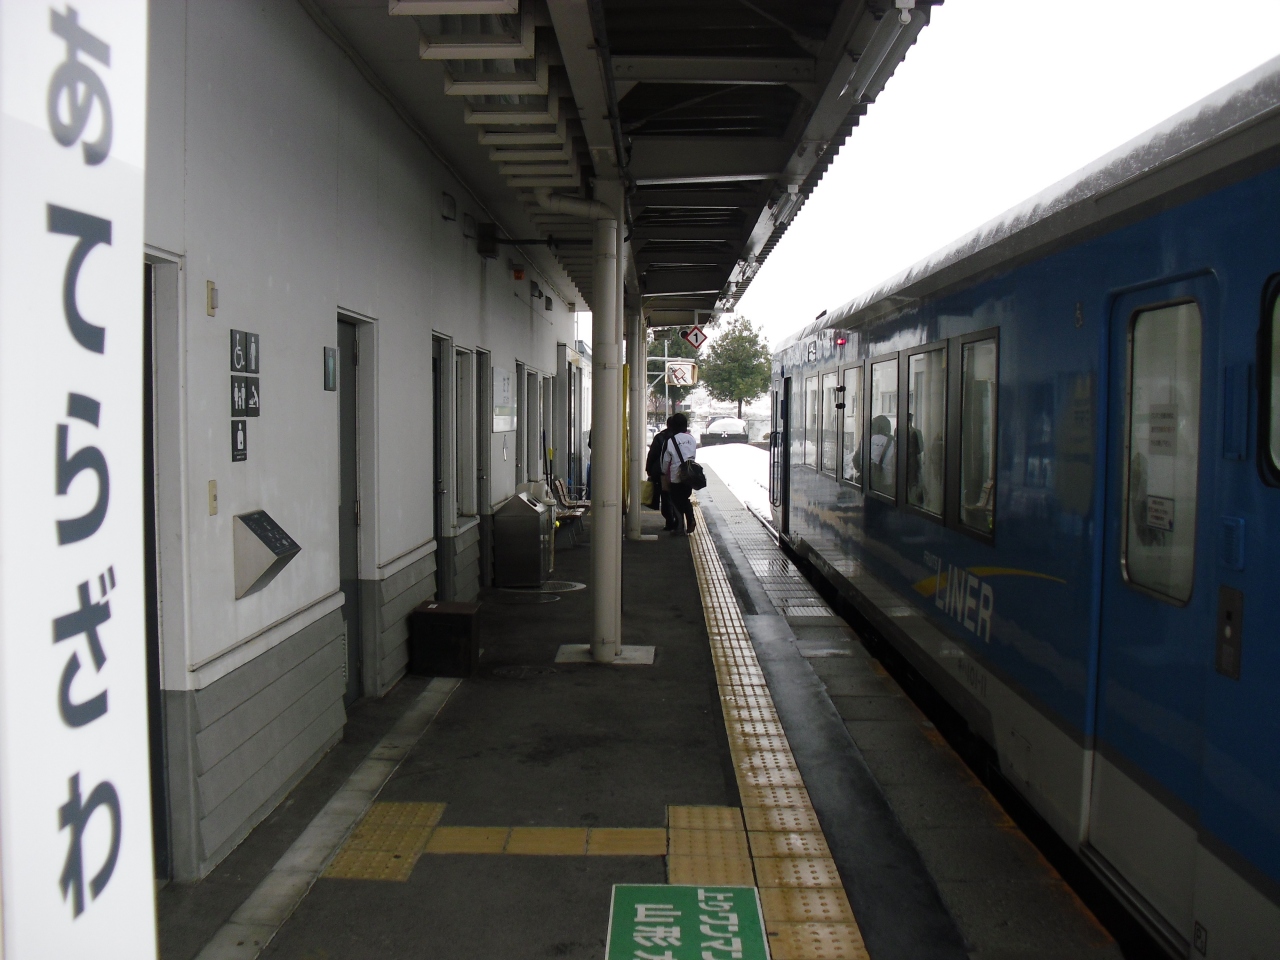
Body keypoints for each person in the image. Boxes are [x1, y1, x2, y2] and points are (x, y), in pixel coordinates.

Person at [660, 413, 698, 535]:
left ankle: (680, 526)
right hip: (689, 475)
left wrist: (663, 472)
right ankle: (690, 518)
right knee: (685, 498)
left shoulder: (671, 441)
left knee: (676, 501)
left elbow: (665, 460)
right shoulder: (692, 439)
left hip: (676, 475)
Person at [646, 416, 677, 530]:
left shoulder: (660, 437)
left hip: (662, 472)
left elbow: (652, 454)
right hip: (677, 471)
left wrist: (649, 469)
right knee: (676, 496)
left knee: (666, 496)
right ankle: (678, 521)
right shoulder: (683, 438)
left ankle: (670, 522)